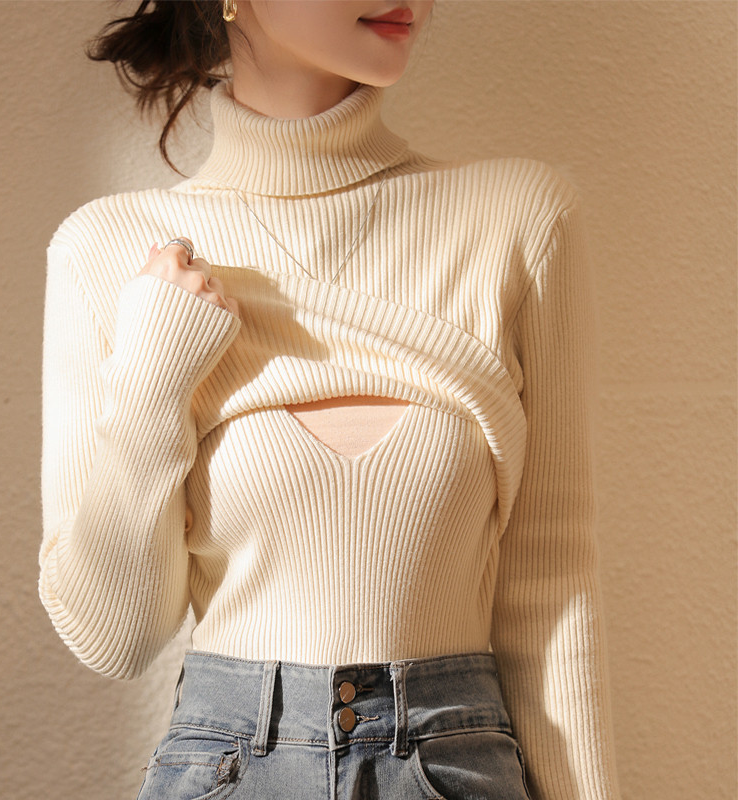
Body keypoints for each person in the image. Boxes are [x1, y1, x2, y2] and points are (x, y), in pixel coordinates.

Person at [39, 1, 621, 798]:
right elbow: (115, 637)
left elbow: (552, 588)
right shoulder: (108, 250)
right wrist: (154, 376)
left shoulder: (518, 219)